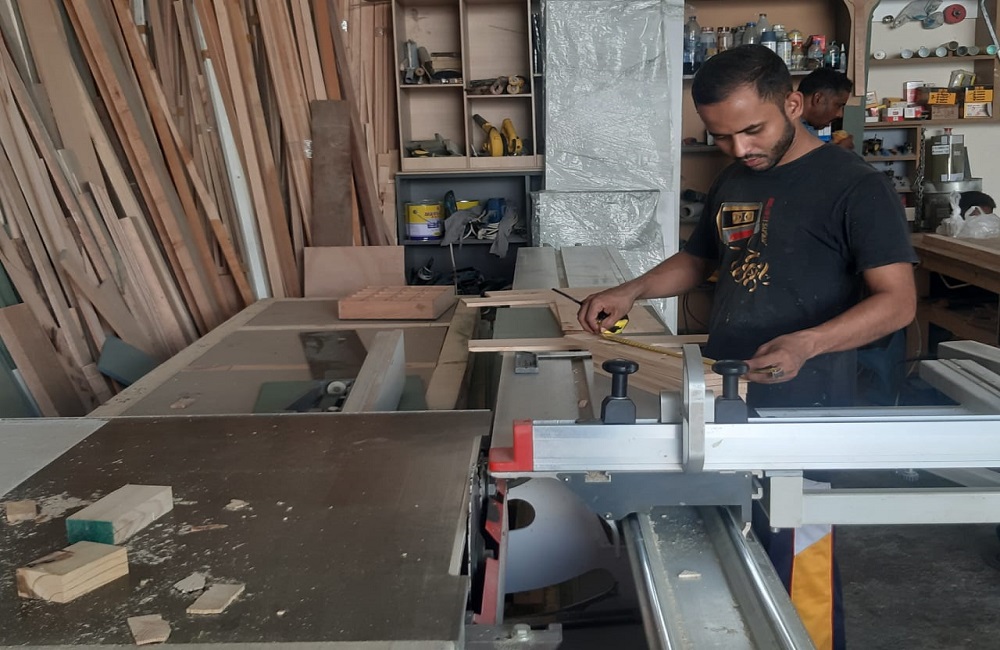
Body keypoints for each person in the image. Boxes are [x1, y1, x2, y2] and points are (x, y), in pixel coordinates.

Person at [577, 45, 917, 650]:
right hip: (725, 394)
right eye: (721, 136)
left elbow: (898, 302)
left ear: (794, 104)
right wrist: (631, 290)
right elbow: (699, 260)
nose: (738, 149)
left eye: (752, 130)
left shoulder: (856, 187)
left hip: (806, 408)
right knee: (730, 558)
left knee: (800, 563)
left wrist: (808, 343)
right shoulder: (736, 177)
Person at [797, 67, 854, 149]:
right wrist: (838, 151)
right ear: (818, 99)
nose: (840, 114)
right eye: (838, 105)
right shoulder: (790, 131)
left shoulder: (806, 129)